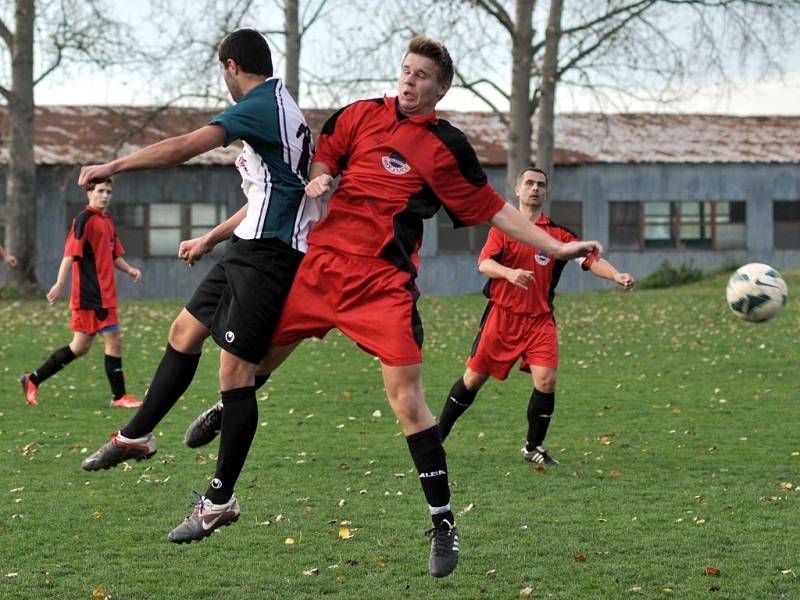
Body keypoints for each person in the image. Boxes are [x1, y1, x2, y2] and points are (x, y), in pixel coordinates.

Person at [184, 36, 603, 578]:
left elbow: (496, 211)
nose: (410, 81)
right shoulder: (359, 115)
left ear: (441, 88)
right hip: (323, 269)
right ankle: (227, 423)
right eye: (406, 71)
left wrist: (557, 246)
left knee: (408, 403)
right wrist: (325, 175)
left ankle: (444, 522)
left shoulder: (447, 147)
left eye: (423, 76)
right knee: (249, 365)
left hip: (383, 285)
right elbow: (323, 154)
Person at [78, 29, 319, 547]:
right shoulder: (282, 109)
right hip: (247, 247)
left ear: (231, 66)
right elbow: (267, 192)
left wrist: (113, 165)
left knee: (235, 374)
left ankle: (220, 501)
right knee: (184, 331)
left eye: (222, 73)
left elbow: (185, 147)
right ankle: (136, 436)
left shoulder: (260, 105)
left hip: (271, 258)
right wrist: (212, 237)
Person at [437, 167, 634, 465]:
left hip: (539, 320)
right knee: (473, 380)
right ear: (517, 190)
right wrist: (509, 272)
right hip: (502, 317)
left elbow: (590, 260)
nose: (535, 188)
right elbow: (484, 264)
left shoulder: (558, 235)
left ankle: (533, 447)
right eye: (529, 183)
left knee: (546, 380)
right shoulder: (502, 228)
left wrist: (616, 275)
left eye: (541, 184)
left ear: (546, 192)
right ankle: (436, 438)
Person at [20, 179, 143, 408]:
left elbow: (113, 253)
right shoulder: (84, 220)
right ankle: (119, 397)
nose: (105, 195)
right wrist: (59, 284)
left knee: (80, 347)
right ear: (89, 194)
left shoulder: (107, 220)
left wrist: (129, 269)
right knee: (113, 339)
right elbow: (69, 255)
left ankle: (33, 379)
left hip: (106, 294)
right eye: (100, 191)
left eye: (109, 191)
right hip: (90, 296)